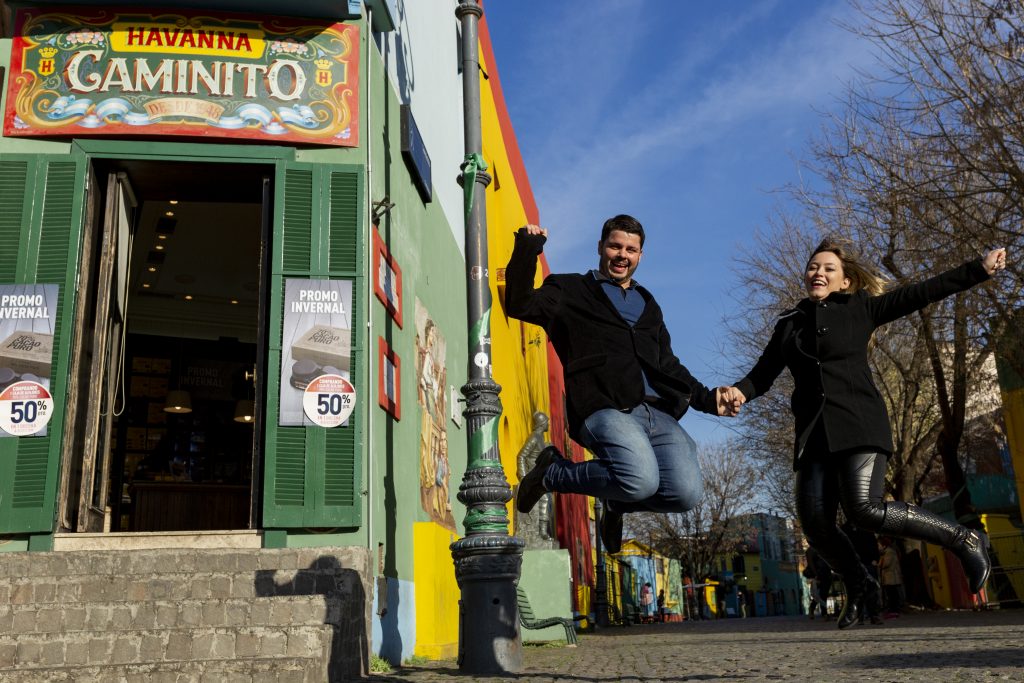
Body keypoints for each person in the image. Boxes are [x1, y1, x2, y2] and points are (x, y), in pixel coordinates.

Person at [723, 239, 1006, 629]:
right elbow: (763, 373)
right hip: (814, 434)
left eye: (828, 268)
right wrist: (739, 392)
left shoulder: (861, 309)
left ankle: (963, 540)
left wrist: (978, 268)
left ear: (844, 281)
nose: (818, 272)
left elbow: (922, 292)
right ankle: (860, 585)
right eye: (813, 267)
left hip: (858, 424)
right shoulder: (789, 324)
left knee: (864, 508)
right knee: (815, 522)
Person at [505, 216, 737, 553]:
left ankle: (616, 504)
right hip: (603, 406)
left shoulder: (648, 303)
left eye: (631, 249)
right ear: (600, 247)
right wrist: (528, 250)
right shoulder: (570, 289)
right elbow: (519, 303)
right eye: (615, 246)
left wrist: (708, 398)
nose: (621, 255)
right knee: (640, 478)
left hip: (657, 413)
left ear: (640, 255)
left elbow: (668, 364)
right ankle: (551, 473)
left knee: (686, 493)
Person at [878, 536, 904, 618]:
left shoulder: (889, 552)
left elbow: (886, 564)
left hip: (891, 577)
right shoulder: (887, 552)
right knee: (892, 594)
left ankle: (894, 610)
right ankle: (894, 610)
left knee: (892, 594)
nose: (878, 546)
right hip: (890, 576)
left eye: (879, 544)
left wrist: (878, 564)